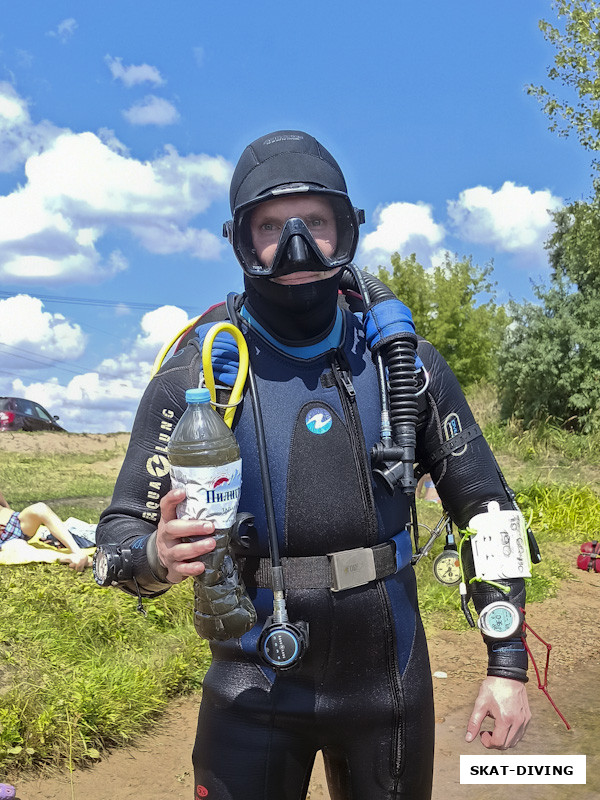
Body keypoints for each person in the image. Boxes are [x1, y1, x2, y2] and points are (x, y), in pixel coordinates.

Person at [97, 130, 531, 800]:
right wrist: (153, 556)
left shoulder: (404, 366)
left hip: (386, 687)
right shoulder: (199, 373)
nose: (296, 244)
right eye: (271, 226)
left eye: (316, 222)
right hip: (249, 688)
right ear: (242, 241)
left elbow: (489, 510)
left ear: (346, 231)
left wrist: (507, 665)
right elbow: (117, 535)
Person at [0, 502, 90, 570]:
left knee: (40, 508)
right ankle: (71, 558)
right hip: (4, 540)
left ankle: (77, 551)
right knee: (20, 549)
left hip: (13, 521)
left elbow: (4, 504)